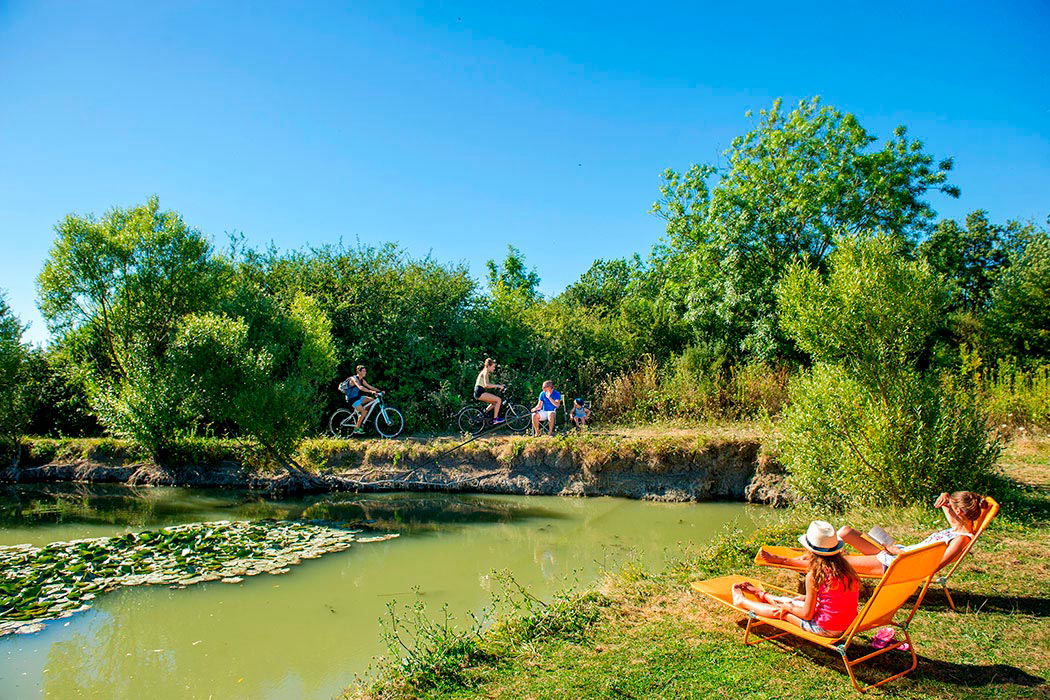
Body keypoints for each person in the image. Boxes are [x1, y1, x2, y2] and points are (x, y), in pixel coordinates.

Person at [759, 491, 988, 577]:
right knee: (846, 531)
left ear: (959, 512)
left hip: (897, 564)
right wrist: (946, 497)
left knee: (833, 563)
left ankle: (786, 560)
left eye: (952, 508)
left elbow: (931, 568)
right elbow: (949, 510)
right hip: (896, 554)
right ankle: (815, 552)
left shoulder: (959, 540)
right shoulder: (959, 527)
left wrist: (898, 554)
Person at [733, 520, 860, 637]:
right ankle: (762, 594)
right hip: (847, 626)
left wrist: (787, 607)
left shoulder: (815, 576)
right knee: (794, 602)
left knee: (782, 611)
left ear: (809, 550)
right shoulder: (847, 570)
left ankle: (742, 601)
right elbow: (837, 597)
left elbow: (807, 614)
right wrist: (806, 598)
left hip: (824, 628)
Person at [341, 365, 381, 434]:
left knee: (372, 400)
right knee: (363, 412)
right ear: (358, 372)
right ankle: (357, 428)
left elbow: (370, 386)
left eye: (365, 371)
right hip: (352, 399)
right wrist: (371, 392)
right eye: (363, 371)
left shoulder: (362, 380)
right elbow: (360, 387)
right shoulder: (354, 379)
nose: (365, 372)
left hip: (358, 397)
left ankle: (362, 413)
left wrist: (380, 391)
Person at [474, 358, 505, 425]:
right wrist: (498, 386)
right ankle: (495, 419)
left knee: (495, 403)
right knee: (499, 400)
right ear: (488, 366)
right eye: (493, 366)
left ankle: (484, 413)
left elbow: (486, 385)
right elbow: (486, 385)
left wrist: (497, 386)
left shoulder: (486, 372)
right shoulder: (485, 372)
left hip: (479, 391)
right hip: (479, 391)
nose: (494, 368)